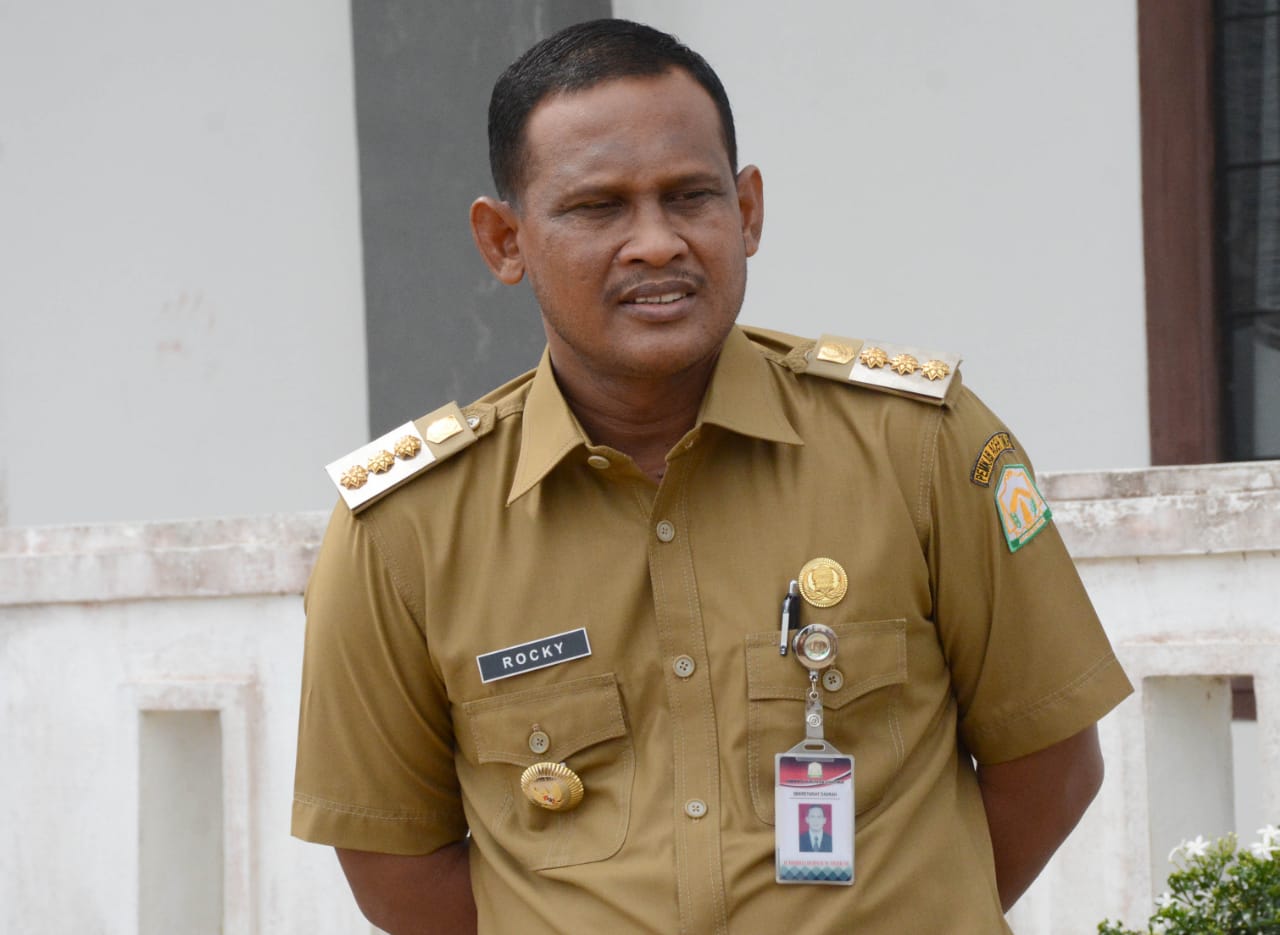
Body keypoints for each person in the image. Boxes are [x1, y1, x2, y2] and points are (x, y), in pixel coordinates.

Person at [292, 18, 1133, 934]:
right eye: (598, 208)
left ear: (748, 211)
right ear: (505, 241)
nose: (656, 243)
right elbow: (397, 869)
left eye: (690, 196)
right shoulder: (404, 530)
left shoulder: (918, 449)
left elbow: (1051, 765)